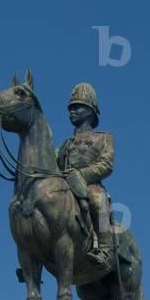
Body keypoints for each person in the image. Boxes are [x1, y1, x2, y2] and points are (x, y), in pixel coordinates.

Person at [57, 83, 114, 268]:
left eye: (77, 107)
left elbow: (106, 164)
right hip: (65, 186)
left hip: (89, 185)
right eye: (71, 108)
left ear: (89, 111)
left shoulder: (104, 138)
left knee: (98, 200)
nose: (72, 112)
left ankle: (105, 249)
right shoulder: (65, 144)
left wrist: (80, 174)